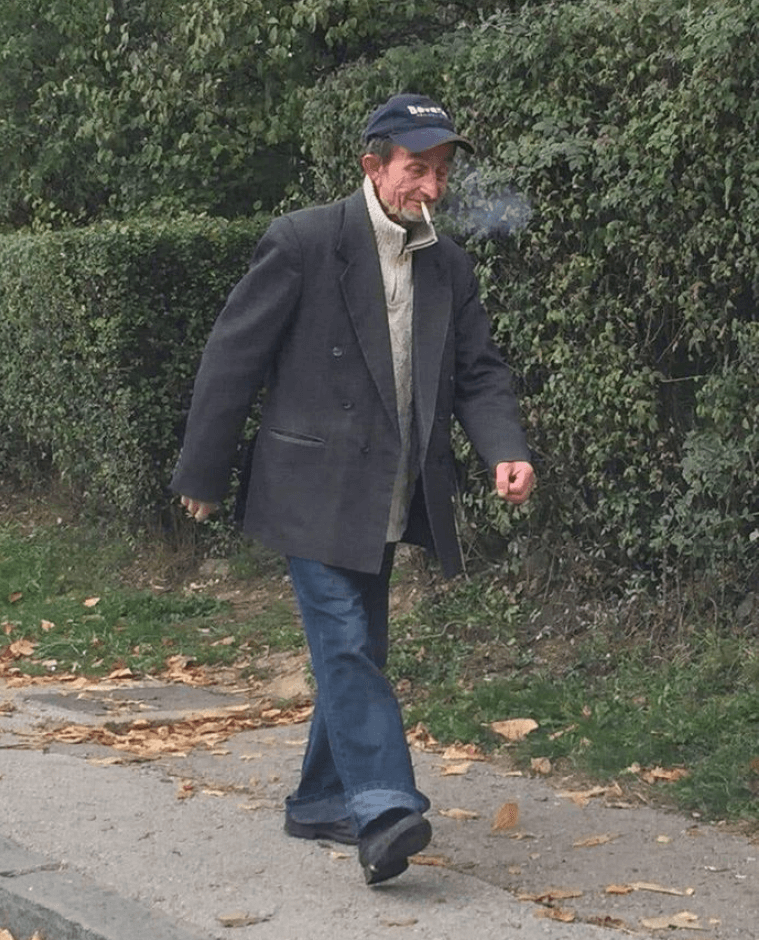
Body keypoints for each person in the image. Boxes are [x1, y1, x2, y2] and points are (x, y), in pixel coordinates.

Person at [171, 93, 535, 885]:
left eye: (441, 172)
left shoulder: (446, 263)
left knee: (358, 649)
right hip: (309, 485)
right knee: (342, 641)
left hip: (388, 490)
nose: (431, 188)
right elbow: (234, 355)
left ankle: (316, 801)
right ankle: (382, 806)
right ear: (372, 166)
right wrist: (203, 470)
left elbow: (477, 371)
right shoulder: (305, 240)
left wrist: (503, 449)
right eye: (416, 169)